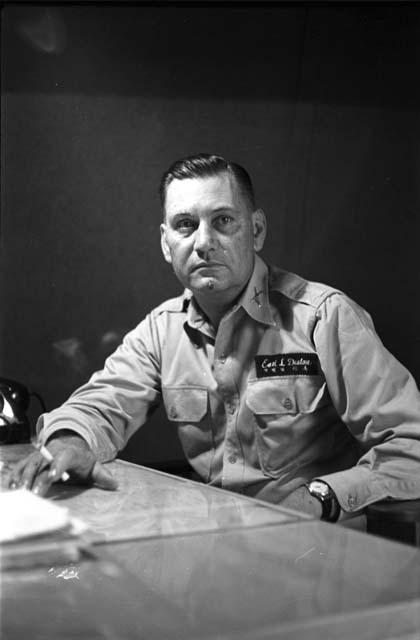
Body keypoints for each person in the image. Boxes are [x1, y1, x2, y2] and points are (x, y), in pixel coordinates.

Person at [10, 153, 420, 521]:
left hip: (315, 553)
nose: (204, 242)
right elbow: (100, 405)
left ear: (256, 230)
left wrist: (320, 497)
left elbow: (412, 445)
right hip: (209, 554)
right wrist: (70, 441)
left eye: (223, 221)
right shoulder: (162, 329)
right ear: (166, 244)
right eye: (185, 225)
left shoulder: (324, 317)